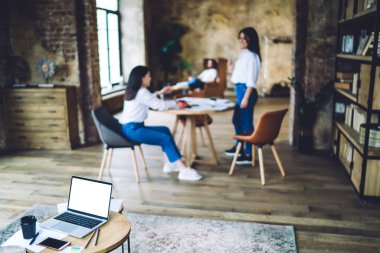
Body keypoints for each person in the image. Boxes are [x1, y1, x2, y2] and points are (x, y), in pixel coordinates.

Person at [119, 65, 203, 181]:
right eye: (148, 76)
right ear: (142, 78)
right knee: (164, 138)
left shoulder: (135, 91)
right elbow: (160, 106)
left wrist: (160, 93)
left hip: (130, 128)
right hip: (134, 130)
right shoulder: (142, 92)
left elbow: (149, 99)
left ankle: (170, 164)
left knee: (165, 130)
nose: (150, 78)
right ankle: (183, 170)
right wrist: (176, 104)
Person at [224, 27, 261, 165]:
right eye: (240, 38)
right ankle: (239, 147)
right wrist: (232, 67)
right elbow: (242, 74)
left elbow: (251, 81)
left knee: (246, 124)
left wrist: (245, 97)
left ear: (251, 39)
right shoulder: (244, 54)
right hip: (240, 90)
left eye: (244, 38)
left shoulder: (251, 56)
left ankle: (248, 154)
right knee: (237, 120)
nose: (241, 40)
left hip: (246, 91)